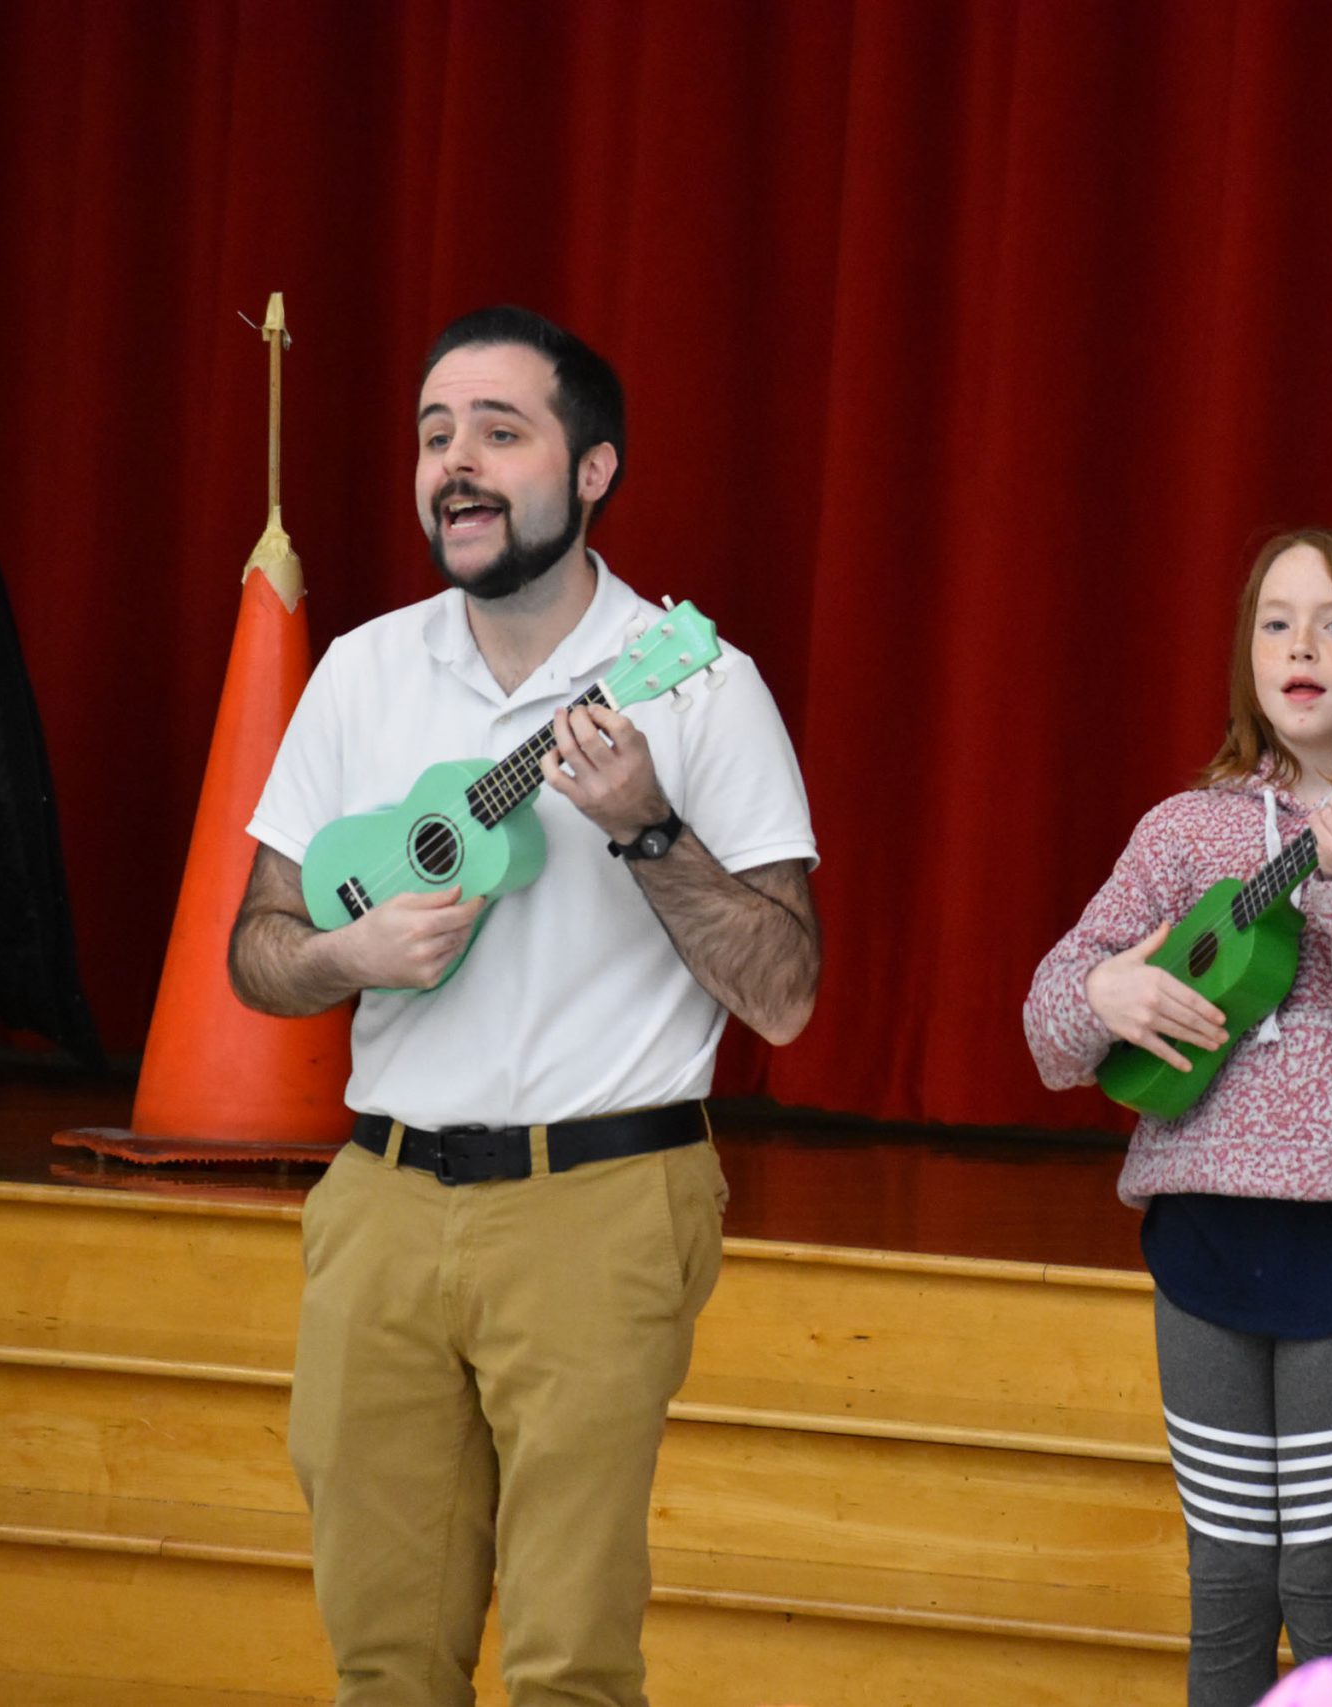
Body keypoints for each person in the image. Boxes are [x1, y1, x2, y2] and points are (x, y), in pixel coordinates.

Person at [228, 305, 820, 1707]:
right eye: (437, 434)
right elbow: (256, 949)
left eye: (502, 430)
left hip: (601, 1197)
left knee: (567, 1663)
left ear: (595, 468)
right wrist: (346, 953)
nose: (458, 463)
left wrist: (646, 824)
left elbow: (786, 994)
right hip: (379, 1201)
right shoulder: (363, 668)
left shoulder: (700, 684)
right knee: (381, 1656)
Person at [1023, 528, 1332, 1707]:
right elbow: (1047, 1036)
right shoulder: (1182, 831)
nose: (1300, 646)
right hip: (1199, 1242)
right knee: (1227, 1587)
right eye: (1275, 621)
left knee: (1329, 1585)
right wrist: (1103, 991)